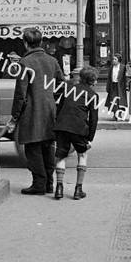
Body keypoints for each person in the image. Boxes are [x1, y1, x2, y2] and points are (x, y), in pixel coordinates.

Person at [6, 28, 64, 195]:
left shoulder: (24, 63)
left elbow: (20, 93)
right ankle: (49, 183)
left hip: (32, 110)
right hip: (49, 109)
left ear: (25, 43)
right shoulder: (52, 61)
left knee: (33, 148)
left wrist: (15, 116)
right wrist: (52, 98)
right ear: (41, 41)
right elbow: (62, 84)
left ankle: (39, 183)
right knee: (48, 146)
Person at [53, 66, 99, 200]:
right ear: (93, 81)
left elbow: (59, 108)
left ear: (81, 78)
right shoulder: (93, 95)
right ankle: (78, 189)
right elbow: (93, 119)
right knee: (82, 155)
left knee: (61, 156)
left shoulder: (68, 89)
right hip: (79, 129)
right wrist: (89, 138)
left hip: (62, 127)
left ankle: (59, 188)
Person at [106, 53, 127, 121]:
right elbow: (109, 77)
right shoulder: (111, 67)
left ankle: (120, 114)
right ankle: (115, 114)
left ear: (119, 60)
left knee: (120, 100)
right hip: (113, 85)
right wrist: (108, 86)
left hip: (120, 86)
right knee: (113, 100)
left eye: (115, 59)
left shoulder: (123, 67)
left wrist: (126, 85)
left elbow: (125, 77)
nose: (114, 60)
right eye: (113, 59)